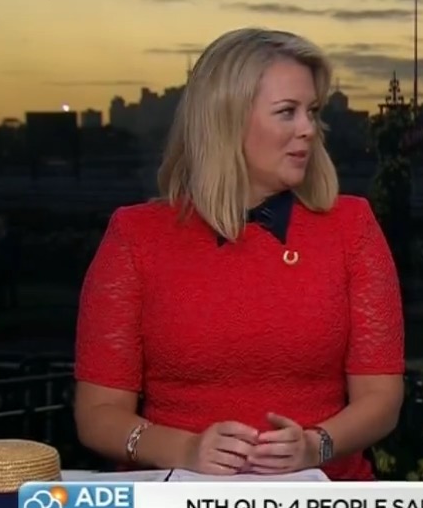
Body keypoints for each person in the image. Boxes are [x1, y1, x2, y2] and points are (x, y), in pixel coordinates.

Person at [73, 28, 405, 482]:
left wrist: (316, 445)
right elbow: (98, 414)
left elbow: (381, 400)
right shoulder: (136, 237)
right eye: (287, 112)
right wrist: (185, 450)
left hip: (323, 498)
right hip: (176, 502)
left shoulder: (352, 227)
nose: (308, 129)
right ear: (226, 121)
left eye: (312, 111)